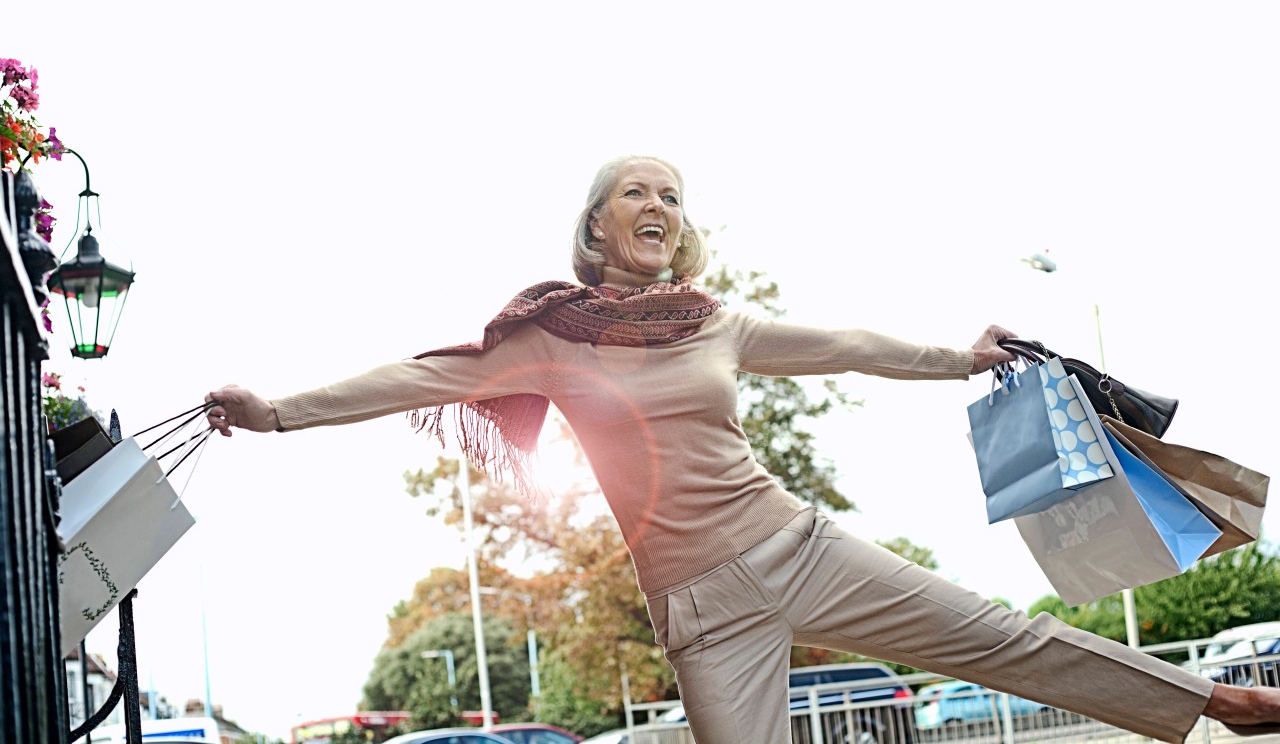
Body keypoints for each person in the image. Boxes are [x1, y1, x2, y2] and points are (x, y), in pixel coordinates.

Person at [207, 155, 1280, 744]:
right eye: (638, 190)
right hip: (700, 609)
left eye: (672, 196)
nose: (659, 206)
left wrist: (955, 356)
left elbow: (847, 346)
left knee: (996, 636)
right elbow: (413, 378)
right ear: (594, 226)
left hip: (795, 543)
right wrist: (274, 410)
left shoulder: (712, 322)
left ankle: (1212, 701)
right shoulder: (547, 337)